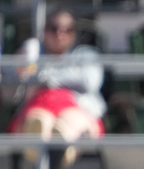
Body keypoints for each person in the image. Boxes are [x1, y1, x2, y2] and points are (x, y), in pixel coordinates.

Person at [7, 10, 105, 141]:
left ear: (74, 33)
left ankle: (56, 148)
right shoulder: (34, 52)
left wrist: (46, 77)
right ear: (44, 31)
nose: (60, 34)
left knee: (68, 124)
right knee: (40, 121)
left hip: (77, 108)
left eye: (67, 29)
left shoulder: (85, 54)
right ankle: (54, 149)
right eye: (54, 28)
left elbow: (89, 82)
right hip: (38, 106)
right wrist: (23, 61)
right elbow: (10, 92)